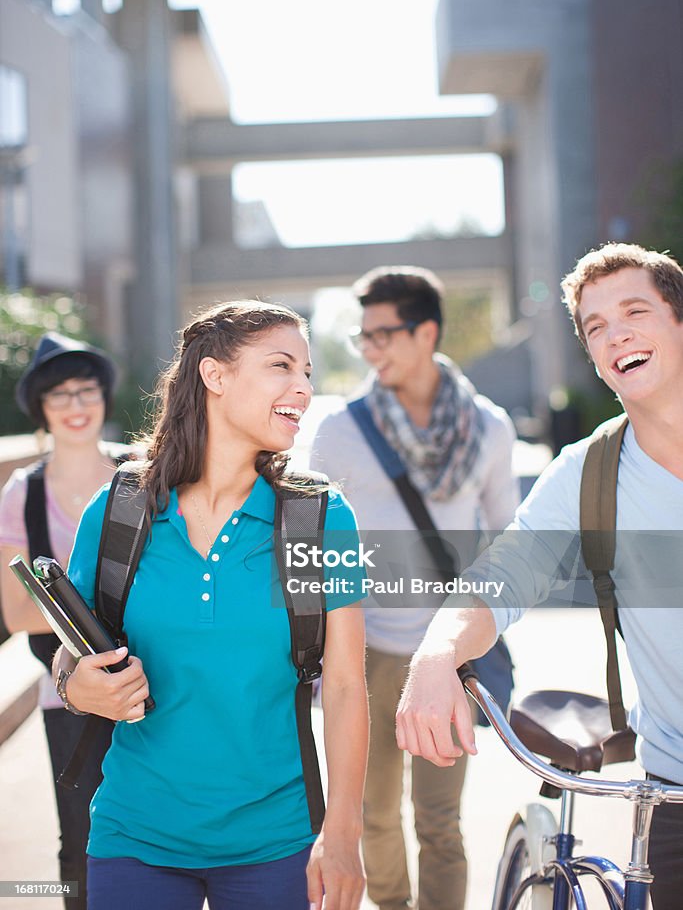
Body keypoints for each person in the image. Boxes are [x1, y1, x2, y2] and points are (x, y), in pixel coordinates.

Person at [52, 300, 368, 910]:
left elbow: (349, 686)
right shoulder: (120, 510)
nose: (303, 388)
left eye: (307, 372)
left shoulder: (322, 520)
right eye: (282, 366)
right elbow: (76, 656)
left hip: (278, 844)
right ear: (215, 376)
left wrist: (344, 836)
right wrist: (78, 689)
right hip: (132, 836)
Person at [396, 242, 683, 910]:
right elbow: (498, 579)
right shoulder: (588, 473)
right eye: (595, 327)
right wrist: (437, 654)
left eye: (633, 311)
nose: (615, 335)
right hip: (673, 791)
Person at [311, 267, 519, 910]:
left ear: (425, 331)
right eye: (363, 336)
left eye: (383, 334)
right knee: (372, 816)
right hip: (361, 653)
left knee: (439, 822)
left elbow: (508, 543)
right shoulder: (341, 432)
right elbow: (310, 544)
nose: (369, 349)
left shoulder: (488, 427)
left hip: (445, 657)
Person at [0, 332, 120, 910]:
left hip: (157, 680)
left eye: (86, 391)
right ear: (42, 411)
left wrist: (70, 607)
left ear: (104, 397)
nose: (75, 406)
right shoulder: (22, 493)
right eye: (59, 396)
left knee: (170, 839)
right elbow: (18, 611)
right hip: (64, 696)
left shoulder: (139, 474)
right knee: (79, 842)